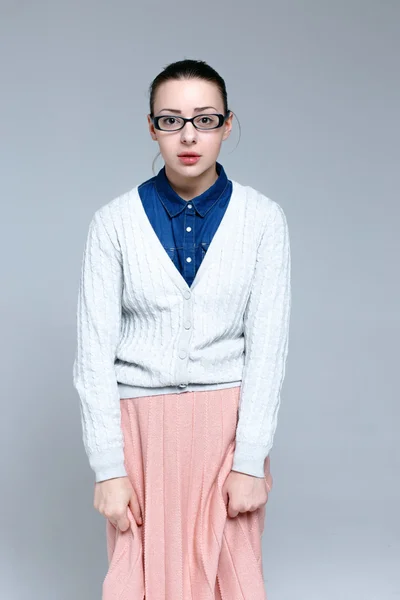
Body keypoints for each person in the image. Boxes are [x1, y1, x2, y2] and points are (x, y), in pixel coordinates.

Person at [72, 58, 291, 600]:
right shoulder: (114, 223)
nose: (188, 136)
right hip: (138, 431)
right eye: (171, 120)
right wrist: (107, 468)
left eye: (205, 119)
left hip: (226, 430)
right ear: (152, 127)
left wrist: (248, 460)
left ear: (228, 124)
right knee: (136, 580)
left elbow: (268, 350)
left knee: (232, 581)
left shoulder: (263, 221)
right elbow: (92, 353)